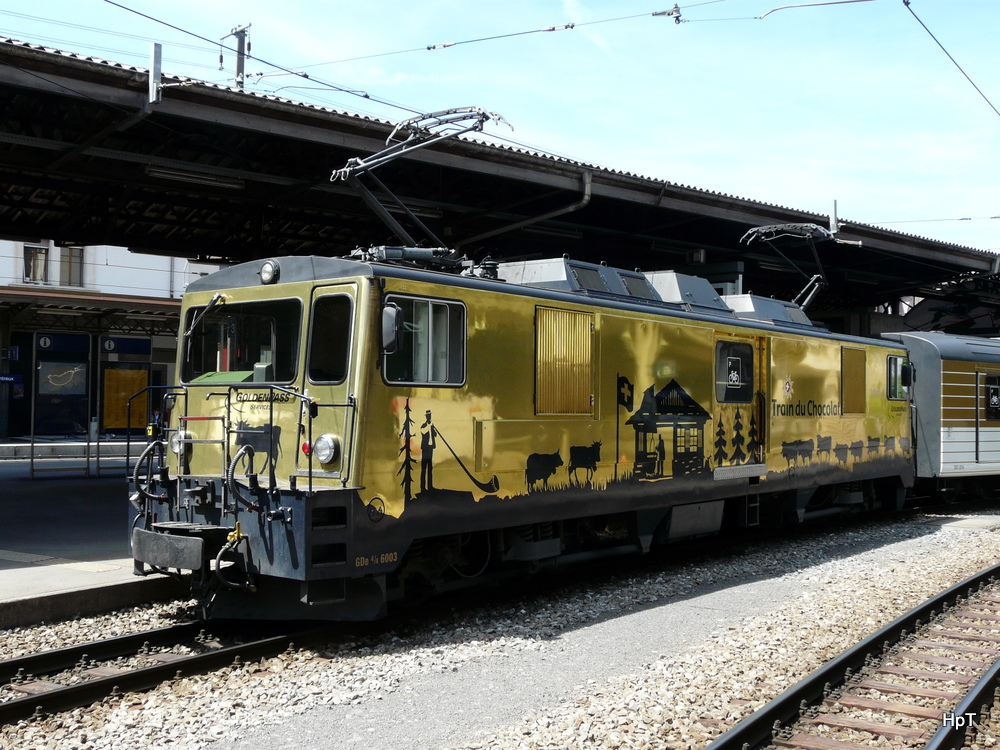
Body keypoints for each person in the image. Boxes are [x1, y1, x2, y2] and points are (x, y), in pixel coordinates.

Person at [420, 410, 436, 493]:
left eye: (430, 415)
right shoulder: (424, 425)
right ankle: (423, 488)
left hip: (430, 448)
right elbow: (423, 432)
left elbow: (435, 435)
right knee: (424, 468)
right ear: (426, 417)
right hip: (425, 449)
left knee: (430, 468)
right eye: (428, 416)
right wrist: (429, 426)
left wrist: (433, 429)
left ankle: (430, 486)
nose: (429, 417)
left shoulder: (431, 425)